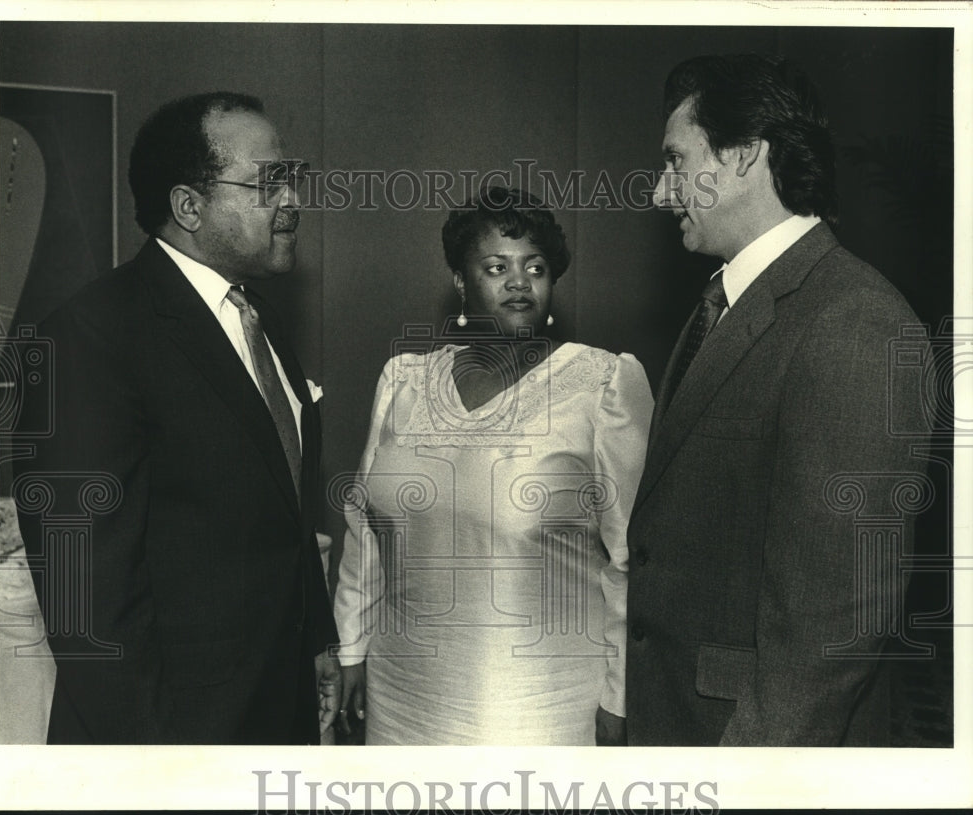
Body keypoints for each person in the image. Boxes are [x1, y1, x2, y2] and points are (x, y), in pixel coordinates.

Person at [12, 92, 340, 744]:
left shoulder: (259, 319)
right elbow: (85, 604)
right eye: (268, 183)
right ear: (189, 206)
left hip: (275, 716)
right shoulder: (88, 337)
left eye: (291, 179)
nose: (292, 201)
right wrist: (161, 765)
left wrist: (318, 639)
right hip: (168, 739)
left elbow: (282, 516)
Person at [625, 55, 931, 745]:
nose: (659, 193)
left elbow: (835, 624)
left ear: (743, 154)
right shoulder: (731, 303)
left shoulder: (854, 321)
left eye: (676, 160)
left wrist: (742, 778)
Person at [333, 187, 654, 745]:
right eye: (495, 267)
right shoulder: (403, 380)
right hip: (399, 689)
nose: (518, 281)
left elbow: (632, 561)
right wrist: (351, 646)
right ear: (461, 282)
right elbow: (364, 530)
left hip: (538, 703)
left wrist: (621, 693)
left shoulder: (603, 385)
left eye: (535, 266)